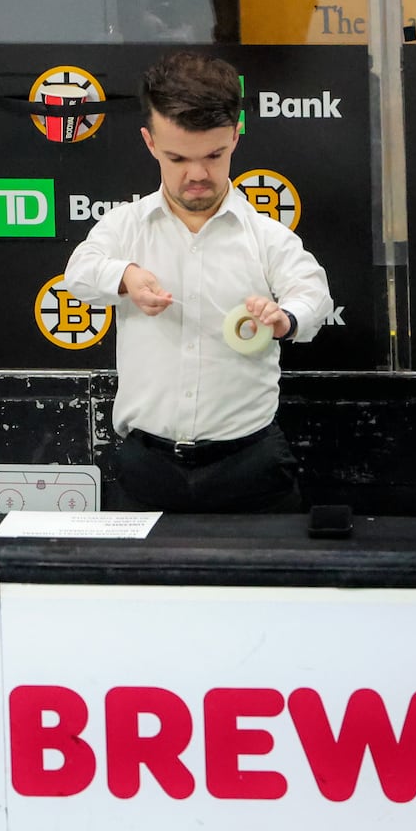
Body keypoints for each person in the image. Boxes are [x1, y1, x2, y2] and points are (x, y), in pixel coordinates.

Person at [62, 50, 332, 513]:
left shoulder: (266, 237)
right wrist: (123, 276)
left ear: (235, 135)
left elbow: (313, 294)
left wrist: (284, 318)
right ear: (149, 143)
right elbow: (77, 274)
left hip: (251, 467)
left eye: (214, 155)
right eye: (177, 157)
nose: (198, 175)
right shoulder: (125, 228)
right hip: (145, 468)